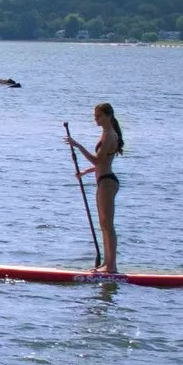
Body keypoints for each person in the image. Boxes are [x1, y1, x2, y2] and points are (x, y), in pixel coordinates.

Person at [68, 101, 125, 275]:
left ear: (108, 116)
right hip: (104, 180)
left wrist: (78, 146)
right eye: (95, 116)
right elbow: (103, 163)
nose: (96, 120)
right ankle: (106, 264)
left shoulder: (109, 135)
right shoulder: (105, 134)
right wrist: (86, 172)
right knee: (103, 223)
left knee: (108, 224)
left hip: (107, 182)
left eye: (99, 116)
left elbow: (98, 161)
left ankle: (111, 266)